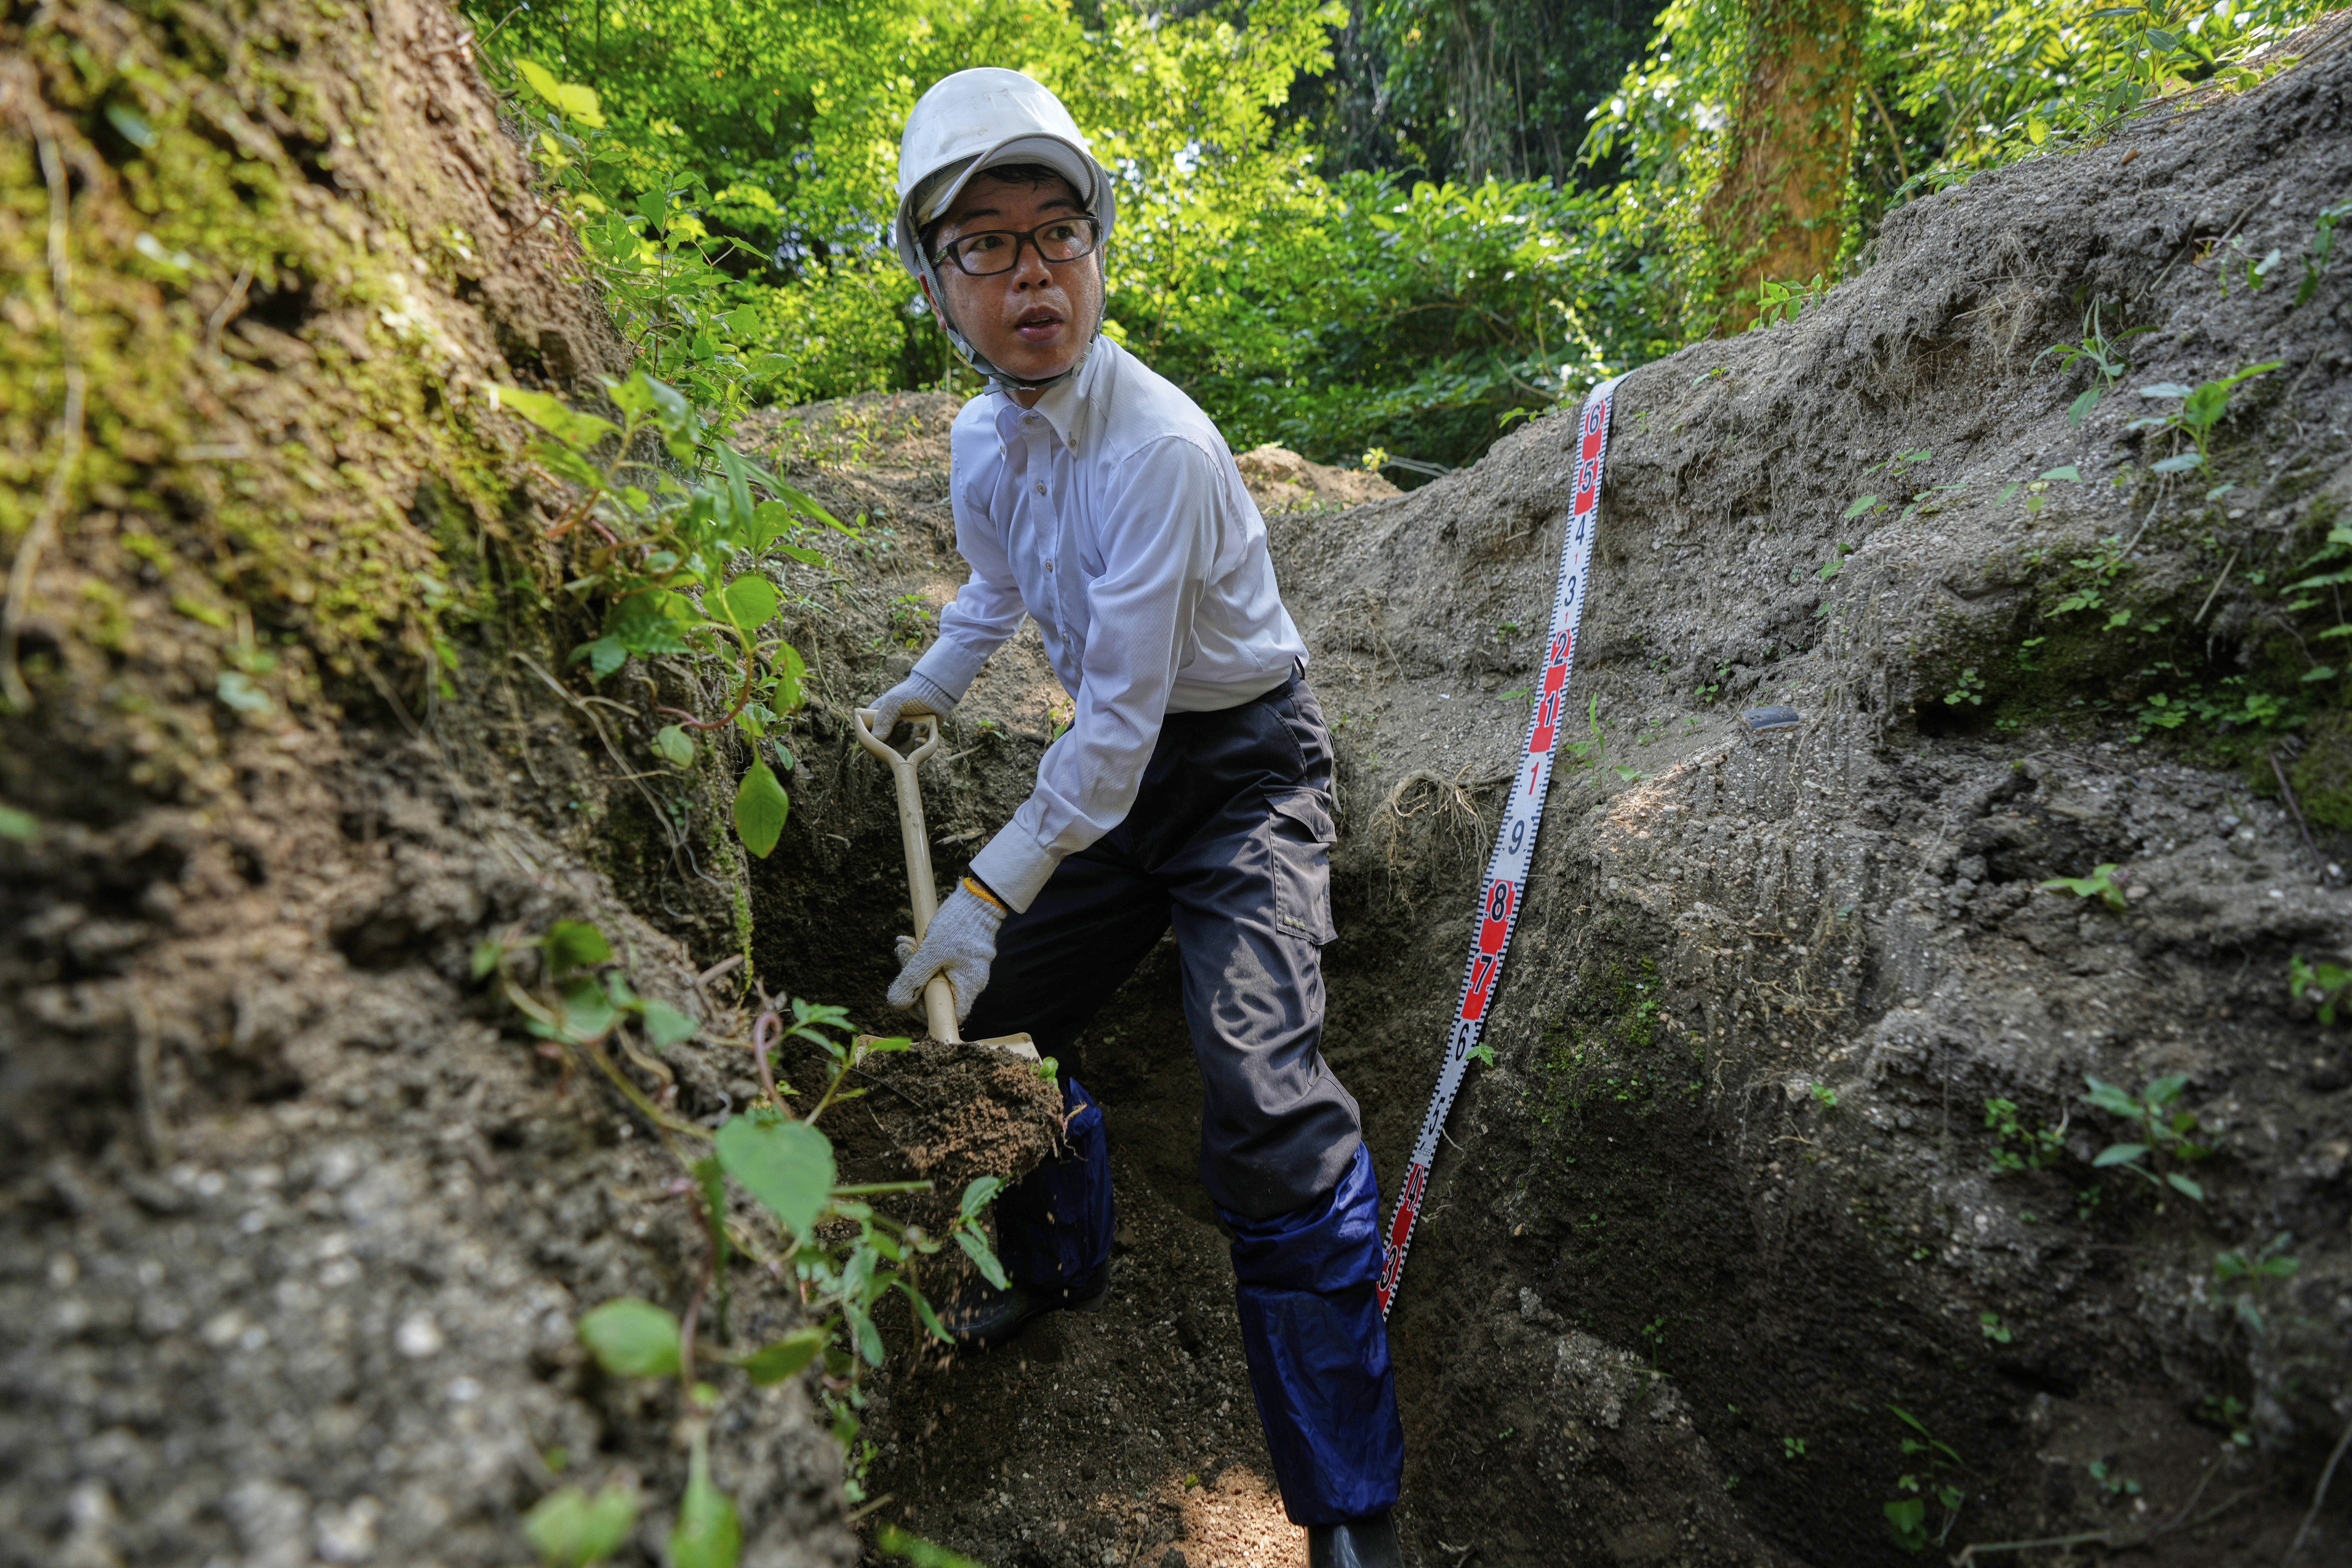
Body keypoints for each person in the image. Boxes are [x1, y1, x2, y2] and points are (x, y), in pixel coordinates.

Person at [861, 66, 1405, 1568]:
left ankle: (1350, 1512)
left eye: (1060, 233)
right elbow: (995, 591)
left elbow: (1110, 736)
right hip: (1124, 780)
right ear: (938, 284)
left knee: (1265, 1099)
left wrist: (984, 884)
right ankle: (1061, 1257)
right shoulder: (983, 442)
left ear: (1100, 252)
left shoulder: (1161, 447)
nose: (1032, 273)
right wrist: (927, 687)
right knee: (1001, 1022)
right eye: (985, 244)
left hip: (1239, 775)